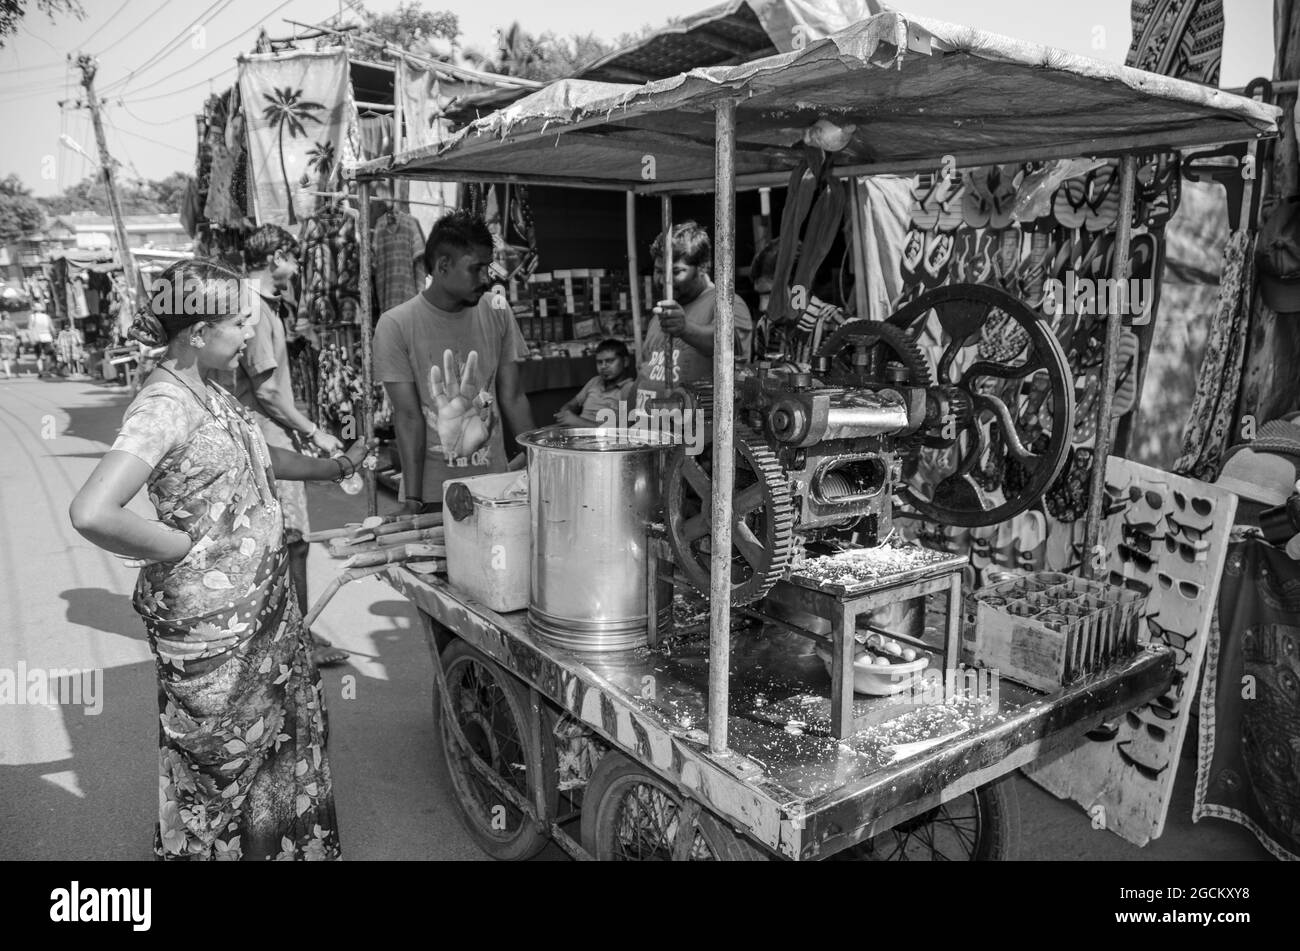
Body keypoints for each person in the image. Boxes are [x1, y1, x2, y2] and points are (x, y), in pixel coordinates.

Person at [69, 259, 374, 860]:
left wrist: (336, 465)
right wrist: (182, 547)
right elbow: (92, 511)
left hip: (263, 618)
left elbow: (258, 457)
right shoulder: (164, 405)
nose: (248, 335)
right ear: (198, 333)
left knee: (274, 750)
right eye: (239, 323)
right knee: (222, 771)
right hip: (213, 633)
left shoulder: (209, 389)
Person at [229, 224, 348, 667]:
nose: (297, 269)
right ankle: (294, 638)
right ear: (277, 256)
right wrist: (314, 431)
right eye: (294, 260)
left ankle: (286, 633)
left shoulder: (261, 304)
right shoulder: (253, 308)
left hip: (268, 432)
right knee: (292, 539)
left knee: (279, 541)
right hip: (264, 435)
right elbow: (268, 392)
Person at [374, 210, 534, 515]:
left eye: (487, 267)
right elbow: (408, 418)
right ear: (443, 265)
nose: (486, 279)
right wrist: (413, 499)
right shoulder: (395, 325)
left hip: (495, 488)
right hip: (433, 493)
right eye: (476, 269)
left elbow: (512, 396)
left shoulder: (497, 310)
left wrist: (537, 460)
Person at [635, 220, 753, 413]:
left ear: (703, 267)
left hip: (695, 435)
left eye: (676, 272)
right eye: (658, 271)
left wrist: (685, 329)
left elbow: (726, 346)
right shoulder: (664, 311)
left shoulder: (727, 304)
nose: (665, 281)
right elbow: (646, 371)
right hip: (649, 429)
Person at [555, 338, 635, 428]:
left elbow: (622, 430)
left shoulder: (630, 389)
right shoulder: (595, 381)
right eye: (599, 362)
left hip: (602, 439)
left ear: (626, 362)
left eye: (610, 361)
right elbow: (572, 404)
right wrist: (566, 412)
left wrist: (578, 422)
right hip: (577, 433)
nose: (603, 366)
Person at [27, 306, 54, 378]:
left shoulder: (32, 317)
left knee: (38, 355)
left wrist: (30, 338)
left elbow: (29, 328)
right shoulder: (47, 317)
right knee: (48, 355)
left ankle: (40, 370)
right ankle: (48, 371)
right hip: (47, 337)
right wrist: (54, 337)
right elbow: (52, 328)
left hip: (37, 338)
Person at [0, 312, 17, 379]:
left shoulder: (0, 324)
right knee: (11, 357)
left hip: (2, 341)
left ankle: (8, 373)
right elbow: (16, 332)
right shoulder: (12, 323)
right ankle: (14, 373)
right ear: (7, 316)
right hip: (11, 341)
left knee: (4, 358)